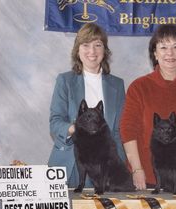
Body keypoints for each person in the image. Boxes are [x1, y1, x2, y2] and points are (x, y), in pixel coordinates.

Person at [120, 24, 176, 191]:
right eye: (163, 47)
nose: (170, 53)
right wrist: (136, 169)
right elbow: (128, 130)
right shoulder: (139, 87)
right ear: (155, 53)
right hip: (145, 179)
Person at [48, 23, 126, 189]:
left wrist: (121, 166)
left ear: (105, 51)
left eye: (98, 45)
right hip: (73, 164)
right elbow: (55, 122)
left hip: (105, 166)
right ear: (77, 50)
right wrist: (74, 128)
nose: (92, 51)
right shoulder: (65, 81)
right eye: (86, 45)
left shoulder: (117, 85)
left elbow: (119, 131)